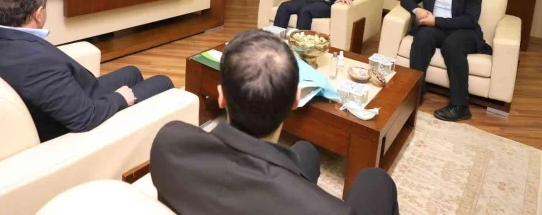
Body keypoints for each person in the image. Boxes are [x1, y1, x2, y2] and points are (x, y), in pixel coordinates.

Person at [150, 30, 399, 215]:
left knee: (305, 152)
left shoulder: (169, 142)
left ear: (222, 96)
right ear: (296, 101)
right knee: (376, 180)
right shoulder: (328, 210)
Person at [0, 0, 174, 142]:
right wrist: (121, 98)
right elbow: (85, 118)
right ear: (38, 14)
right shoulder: (38, 65)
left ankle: (141, 131)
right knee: (163, 82)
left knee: (132, 72)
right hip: (79, 116)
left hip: (71, 95)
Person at [401, 0, 491, 122]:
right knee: (422, 37)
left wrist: (436, 20)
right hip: (436, 29)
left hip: (463, 31)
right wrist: (417, 10)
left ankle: (460, 106)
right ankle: (416, 93)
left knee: (452, 45)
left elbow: (469, 20)